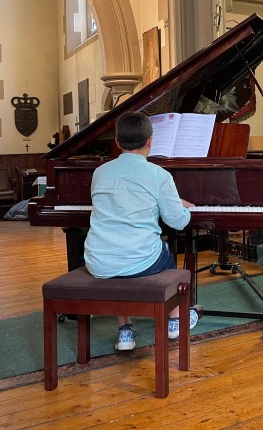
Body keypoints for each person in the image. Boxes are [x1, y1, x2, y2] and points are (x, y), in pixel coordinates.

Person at [84, 111, 198, 351]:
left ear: (117, 142)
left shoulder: (99, 172)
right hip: (139, 261)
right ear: (150, 141)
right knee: (165, 252)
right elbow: (178, 222)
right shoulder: (159, 175)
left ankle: (125, 331)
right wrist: (181, 206)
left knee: (119, 254)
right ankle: (175, 320)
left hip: (98, 262)